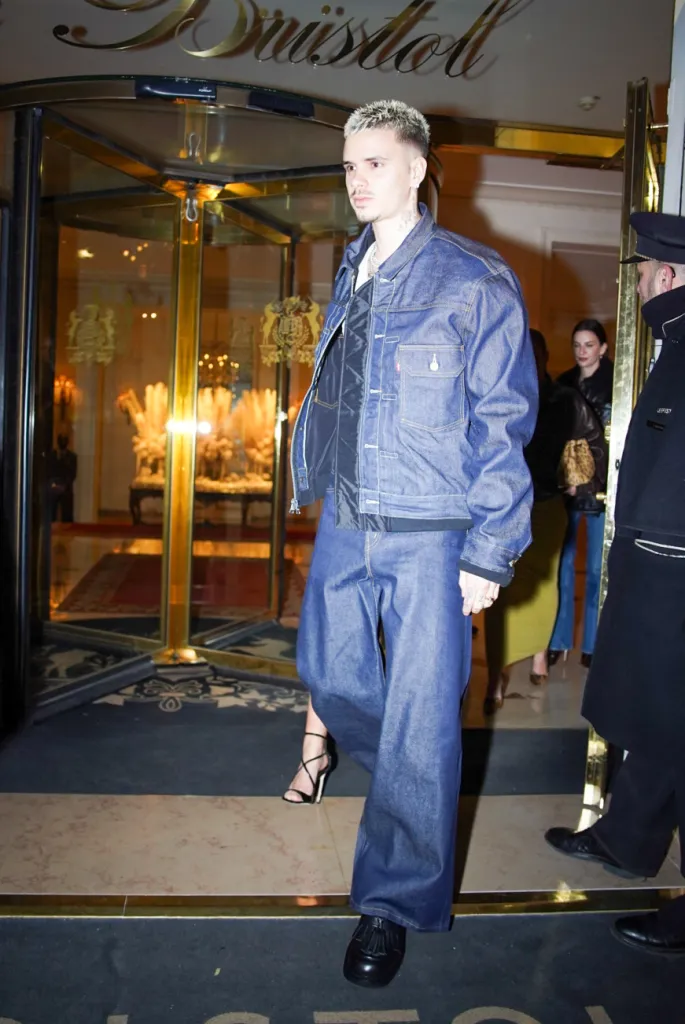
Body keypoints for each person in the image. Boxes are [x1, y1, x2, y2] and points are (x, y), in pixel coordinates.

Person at [290, 99, 537, 987]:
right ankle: (402, 775)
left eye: (374, 164)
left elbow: (503, 422)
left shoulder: (473, 278)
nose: (356, 181)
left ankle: (388, 905)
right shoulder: (350, 269)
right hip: (349, 520)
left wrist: (489, 551)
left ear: (418, 170)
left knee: (425, 719)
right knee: (330, 671)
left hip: (434, 533)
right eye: (348, 166)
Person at [545, 211, 685, 957]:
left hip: (676, 572)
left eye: (640, 273)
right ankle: (628, 840)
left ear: (667, 275)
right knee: (666, 722)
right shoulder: (674, 341)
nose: (634, 284)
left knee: (675, 720)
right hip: (660, 566)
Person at [484, 329, 607, 712]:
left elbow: (594, 440)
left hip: (549, 504)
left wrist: (580, 482)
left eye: (536, 354)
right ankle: (494, 675)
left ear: (546, 357)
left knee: (545, 586)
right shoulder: (502, 396)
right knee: (499, 592)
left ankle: (539, 655)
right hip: (507, 506)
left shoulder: (564, 399)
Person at [548, 319, 613, 669]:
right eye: (577, 345)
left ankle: (591, 643)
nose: (582, 351)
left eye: (589, 345)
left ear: (603, 348)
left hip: (600, 491)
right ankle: (559, 640)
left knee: (596, 571)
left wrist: (589, 482)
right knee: (564, 567)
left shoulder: (617, 385)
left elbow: (612, 444)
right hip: (567, 491)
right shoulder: (564, 385)